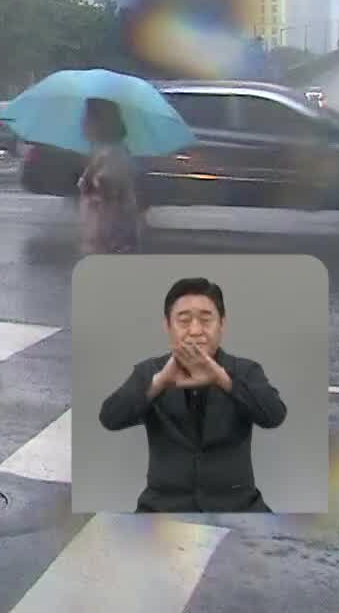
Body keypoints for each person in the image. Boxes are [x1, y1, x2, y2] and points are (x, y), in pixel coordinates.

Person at [98, 276, 287, 512]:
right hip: (162, 507)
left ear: (222, 324)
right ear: (167, 326)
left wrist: (222, 379)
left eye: (206, 319)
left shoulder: (244, 371)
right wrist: (160, 382)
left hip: (238, 506)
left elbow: (274, 415)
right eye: (184, 320)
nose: (195, 330)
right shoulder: (151, 372)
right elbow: (110, 418)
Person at [78, 96, 142, 255]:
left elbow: (109, 191)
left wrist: (89, 184)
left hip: (110, 238)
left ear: (99, 123)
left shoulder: (112, 154)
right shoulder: (107, 151)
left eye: (87, 118)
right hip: (107, 236)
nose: (83, 123)